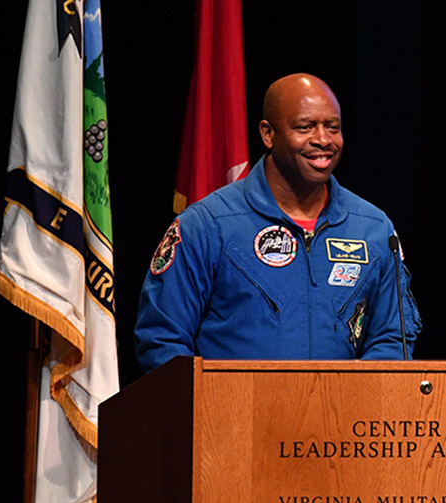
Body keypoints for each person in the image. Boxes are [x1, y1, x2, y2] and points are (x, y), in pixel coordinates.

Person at [135, 73, 421, 373]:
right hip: (234, 417)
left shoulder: (373, 229)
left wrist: (347, 404)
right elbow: (161, 342)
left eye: (333, 128)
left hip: (339, 417)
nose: (323, 140)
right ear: (268, 134)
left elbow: (393, 340)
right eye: (305, 127)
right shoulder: (208, 225)